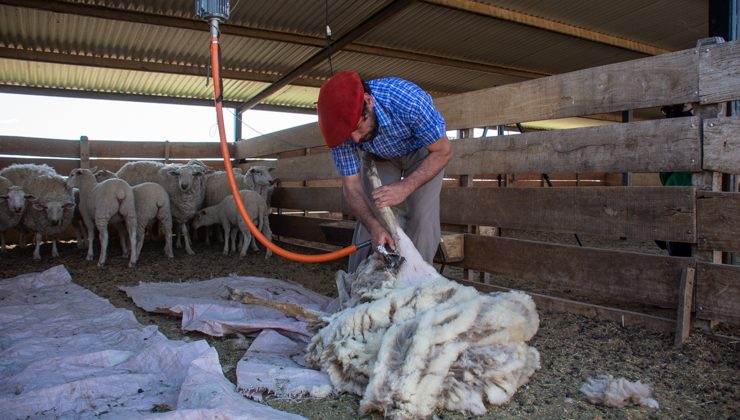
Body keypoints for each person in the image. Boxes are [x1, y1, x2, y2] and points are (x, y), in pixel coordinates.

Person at [316, 70, 453, 272]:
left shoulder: (407, 100)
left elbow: (443, 151)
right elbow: (352, 187)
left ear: (368, 101)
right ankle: (358, 286)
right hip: (377, 155)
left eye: (357, 127)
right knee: (373, 215)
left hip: (424, 152)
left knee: (422, 215)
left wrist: (405, 187)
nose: (354, 139)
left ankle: (417, 287)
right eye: (347, 134)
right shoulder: (341, 132)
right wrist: (374, 226)